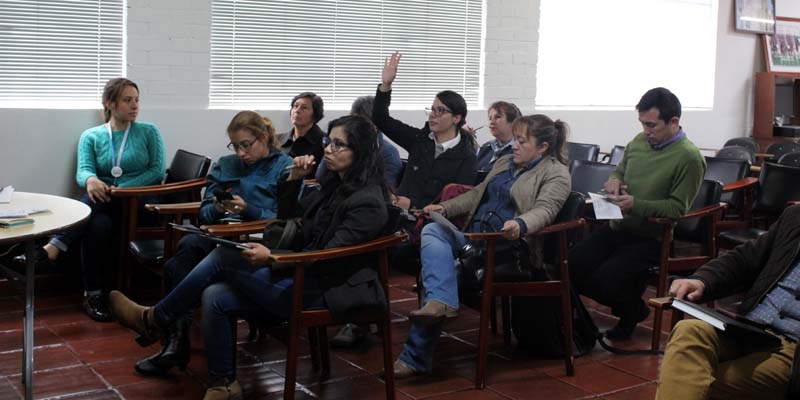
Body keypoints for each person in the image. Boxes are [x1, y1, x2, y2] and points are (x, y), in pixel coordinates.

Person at [108, 115, 391, 400]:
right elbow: (291, 221)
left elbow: (328, 258)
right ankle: (224, 384)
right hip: (307, 275)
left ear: (361, 152)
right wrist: (293, 180)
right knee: (216, 294)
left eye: (339, 144)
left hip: (328, 290)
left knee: (222, 257)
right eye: (329, 141)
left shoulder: (366, 200)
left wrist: (274, 258)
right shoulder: (334, 186)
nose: (328, 149)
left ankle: (154, 318)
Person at [393, 114, 572, 378]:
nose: (514, 145)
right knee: (433, 228)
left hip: (507, 249)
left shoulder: (556, 174)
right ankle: (442, 302)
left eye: (522, 141)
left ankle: (415, 357)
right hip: (474, 239)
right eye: (515, 139)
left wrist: (520, 224)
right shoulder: (504, 162)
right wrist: (444, 207)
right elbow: (476, 194)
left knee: (446, 273)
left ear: (543, 147)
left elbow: (546, 210)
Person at [133, 111, 292, 376]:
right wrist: (218, 207)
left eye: (246, 144)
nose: (241, 153)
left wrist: (248, 209)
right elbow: (205, 212)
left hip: (257, 241)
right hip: (218, 232)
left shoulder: (283, 166)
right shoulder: (225, 164)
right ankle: (175, 343)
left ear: (263, 138)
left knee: (196, 260)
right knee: (180, 258)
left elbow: (284, 220)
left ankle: (165, 332)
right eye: (235, 145)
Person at [17, 78, 165, 322]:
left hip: (139, 202)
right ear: (110, 103)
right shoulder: (91, 136)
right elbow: (83, 171)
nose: (135, 106)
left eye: (137, 100)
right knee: (95, 225)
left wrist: (119, 189)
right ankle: (93, 295)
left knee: (92, 204)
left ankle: (53, 247)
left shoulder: (149, 131)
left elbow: (156, 171)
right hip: (103, 204)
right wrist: (91, 181)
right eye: (127, 100)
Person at [569, 87, 706, 339]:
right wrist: (613, 181)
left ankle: (633, 310)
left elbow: (677, 208)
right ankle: (607, 315)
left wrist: (636, 204)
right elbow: (618, 171)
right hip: (619, 226)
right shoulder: (639, 141)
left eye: (652, 125)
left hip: (651, 237)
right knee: (571, 264)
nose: (646, 131)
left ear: (674, 122)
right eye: (643, 124)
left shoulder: (689, 157)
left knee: (605, 280)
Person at [657, 204, 800, 400]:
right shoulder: (795, 216)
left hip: (793, 352)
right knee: (689, 331)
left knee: (690, 379)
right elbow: (744, 259)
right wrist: (701, 281)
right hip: (752, 330)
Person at [372, 51, 477, 210]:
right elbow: (381, 119)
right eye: (432, 110)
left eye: (440, 111)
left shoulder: (466, 156)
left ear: (456, 118)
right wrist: (386, 85)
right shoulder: (419, 139)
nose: (433, 115)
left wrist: (414, 205)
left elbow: (458, 203)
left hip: (431, 220)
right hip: (398, 213)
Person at [316, 96, 403, 189]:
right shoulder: (337, 142)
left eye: (360, 125)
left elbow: (387, 192)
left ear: (375, 125)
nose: (353, 127)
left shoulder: (388, 153)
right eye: (352, 121)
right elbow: (321, 176)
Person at [475, 101, 522, 182]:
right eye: (490, 118)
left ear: (513, 122)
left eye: (498, 117)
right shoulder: (486, 147)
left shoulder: (520, 149)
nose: (491, 122)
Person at [277, 92, 326, 164]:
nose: (297, 111)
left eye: (304, 108)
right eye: (295, 106)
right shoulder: (277, 139)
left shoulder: (324, 141)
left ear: (315, 114)